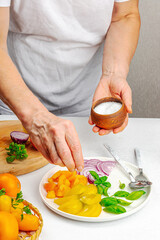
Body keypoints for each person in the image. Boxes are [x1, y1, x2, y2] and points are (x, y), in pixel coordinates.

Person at [0, 0, 140, 171]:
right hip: (16, 102)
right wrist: (33, 114)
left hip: (89, 101)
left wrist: (113, 74)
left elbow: (125, 15)